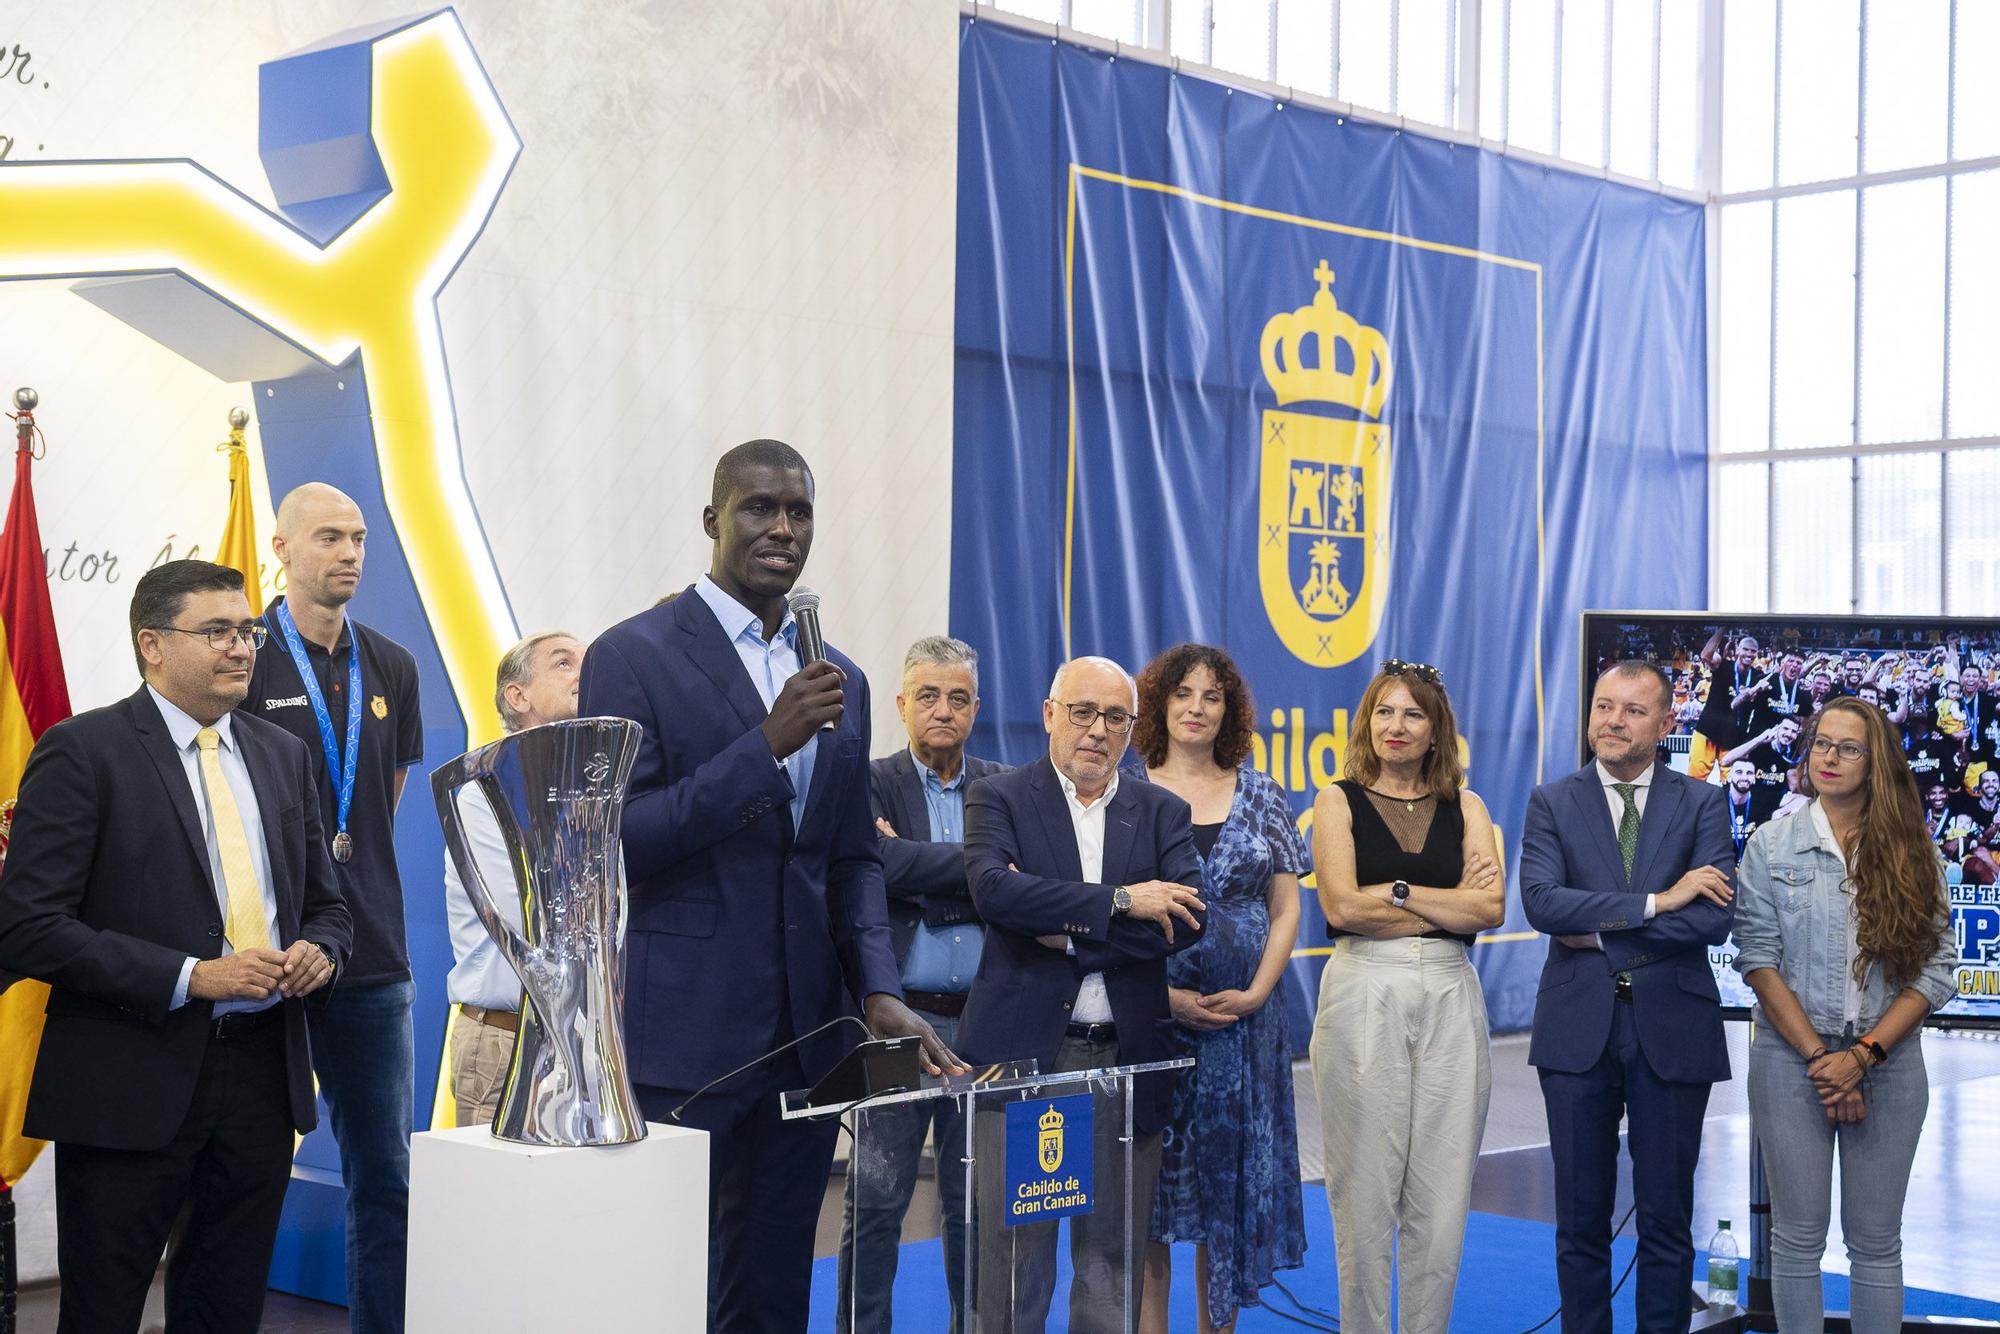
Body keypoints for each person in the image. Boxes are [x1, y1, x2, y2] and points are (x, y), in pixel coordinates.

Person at [578, 439, 958, 1332]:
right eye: (759, 508)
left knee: (778, 1289)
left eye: (800, 513)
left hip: (810, 1037)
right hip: (686, 1038)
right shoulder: (631, 655)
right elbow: (617, 840)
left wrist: (878, 989)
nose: (782, 529)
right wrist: (765, 748)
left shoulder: (845, 680)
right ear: (712, 522)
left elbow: (852, 858)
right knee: (666, 1286)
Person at [0, 561, 351, 1334]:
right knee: (102, 1311)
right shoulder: (82, 751)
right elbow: (26, 925)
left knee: (225, 1307)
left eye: (247, 630)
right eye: (217, 631)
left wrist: (321, 951)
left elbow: (328, 907)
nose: (241, 647)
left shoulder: (282, 753)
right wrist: (193, 977)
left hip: (262, 1075)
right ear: (151, 644)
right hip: (128, 1077)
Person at [959, 655, 1208, 1334]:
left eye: (1115, 717)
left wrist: (1068, 937)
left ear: (1132, 729)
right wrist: (1125, 902)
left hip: (1127, 1060)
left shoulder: (1162, 811)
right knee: (1015, 1260)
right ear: (1049, 715)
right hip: (1024, 1058)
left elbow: (1187, 920)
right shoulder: (1000, 796)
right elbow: (995, 892)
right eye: (1082, 712)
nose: (1097, 730)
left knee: (1112, 1260)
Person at [244, 483, 422, 1333]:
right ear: (281, 550)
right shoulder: (244, 660)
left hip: (374, 962)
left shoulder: (394, 664)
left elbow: (377, 809)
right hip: (263, 965)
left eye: (357, 538)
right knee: (237, 1171)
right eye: (327, 538)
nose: (349, 553)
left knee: (384, 1178)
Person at [1520, 660, 1736, 1334]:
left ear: (1667, 724)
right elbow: (1544, 903)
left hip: (1674, 1030)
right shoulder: (1551, 801)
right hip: (1575, 1032)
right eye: (1603, 707)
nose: (1613, 722)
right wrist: (1656, 901)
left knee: (1667, 1221)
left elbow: (1712, 919)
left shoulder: (1702, 801)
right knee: (1580, 1221)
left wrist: (1603, 933)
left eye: (1633, 711)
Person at [1732, 698, 1957, 1333]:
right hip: (1790, 1061)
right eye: (1820, 744)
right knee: (1796, 1242)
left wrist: (1862, 1057)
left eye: (1847, 747)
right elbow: (1758, 960)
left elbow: (1936, 969)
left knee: (1877, 1243)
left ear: (1875, 760)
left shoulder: (1915, 850)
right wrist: (1823, 1061)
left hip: (1888, 1064)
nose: (1828, 757)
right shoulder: (1772, 844)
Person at [1307, 659, 1504, 1334]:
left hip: (1453, 989)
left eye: (1413, 714)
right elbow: (1340, 905)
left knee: (1443, 1198)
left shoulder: (1468, 807)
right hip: (1364, 986)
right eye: (1385, 712)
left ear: (1435, 729)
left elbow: (1490, 908)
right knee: (1362, 1195)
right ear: (1367, 722)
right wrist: (1446, 904)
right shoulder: (1337, 801)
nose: (1397, 726)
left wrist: (1393, 890)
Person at [1135, 644, 1307, 1334]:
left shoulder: (1262, 792)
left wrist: (1260, 991)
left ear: (1229, 710)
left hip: (1245, 1032)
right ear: (1161, 704)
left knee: (1225, 1207)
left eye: (1212, 697)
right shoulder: (1129, 787)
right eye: (1184, 694)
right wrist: (1161, 998)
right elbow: (1105, 907)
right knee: (1150, 1206)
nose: (1197, 708)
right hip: (1153, 1025)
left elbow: (1288, 906)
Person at [838, 634, 1006, 1334]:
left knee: (974, 1206)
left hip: (984, 1025)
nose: (944, 709)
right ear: (903, 704)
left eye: (958, 697)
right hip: (895, 1026)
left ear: (975, 707)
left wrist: (914, 868)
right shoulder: (868, 783)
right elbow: (871, 865)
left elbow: (1017, 887)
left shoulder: (1003, 787)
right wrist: (975, 874)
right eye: (929, 696)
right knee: (875, 1203)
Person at [440, 631, 583, 1126]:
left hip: (584, 1043)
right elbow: (529, 916)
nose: (584, 675)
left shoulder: (593, 787)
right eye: (564, 663)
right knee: (493, 1203)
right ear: (517, 696)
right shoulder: (483, 790)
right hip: (507, 1038)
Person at [1689, 632, 1761, 779]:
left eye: (1753, 651)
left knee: (1732, 783)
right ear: (1738, 650)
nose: (1749, 653)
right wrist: (1722, 628)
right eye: (1746, 649)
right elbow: (1706, 655)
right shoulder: (1723, 665)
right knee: (1695, 781)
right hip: (1707, 731)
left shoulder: (1758, 677)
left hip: (1733, 737)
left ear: (1757, 654)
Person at [1724, 758, 1779, 861]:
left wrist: (1779, 813)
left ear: (1754, 779)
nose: (1744, 777)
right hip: (1722, 865)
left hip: (1753, 864)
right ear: (1729, 776)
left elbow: (1799, 800)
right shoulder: (1716, 799)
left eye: (1749, 773)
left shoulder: (1762, 796)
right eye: (1739, 772)